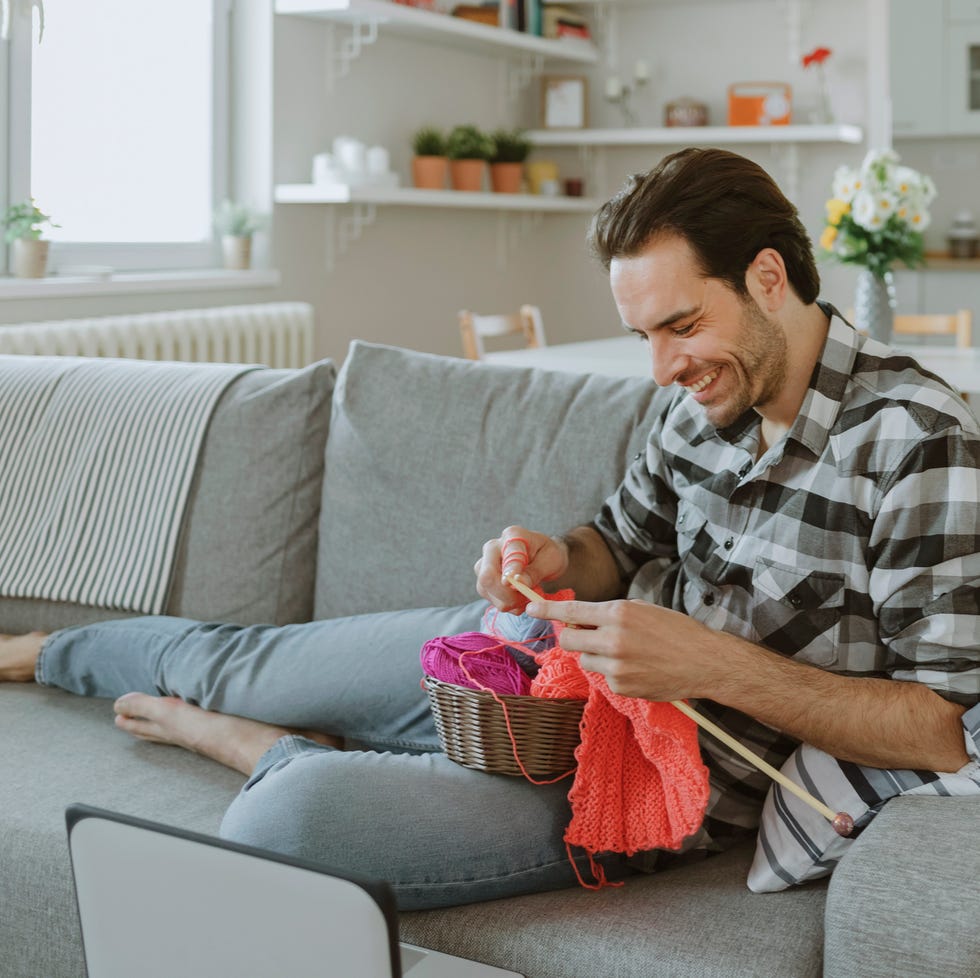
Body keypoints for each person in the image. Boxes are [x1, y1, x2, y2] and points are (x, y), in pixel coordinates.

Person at [2, 148, 978, 909]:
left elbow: (942, 731)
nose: (660, 369)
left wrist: (707, 667)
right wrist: (555, 558)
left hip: (640, 773)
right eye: (643, 336)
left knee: (289, 818)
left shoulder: (915, 445)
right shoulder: (695, 406)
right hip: (536, 670)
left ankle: (257, 749)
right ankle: (46, 651)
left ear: (768, 276)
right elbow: (610, 545)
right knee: (247, 656)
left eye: (679, 326)